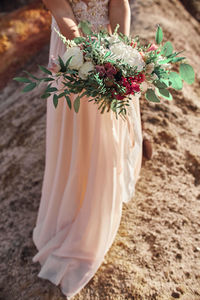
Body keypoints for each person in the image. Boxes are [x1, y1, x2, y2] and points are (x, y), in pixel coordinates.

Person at [32, 0, 144, 298]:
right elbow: (63, 14)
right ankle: (78, 209)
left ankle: (103, 193)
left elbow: (119, 5)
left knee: (108, 130)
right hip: (73, 51)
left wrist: (120, 52)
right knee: (80, 128)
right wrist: (92, 57)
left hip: (108, 45)